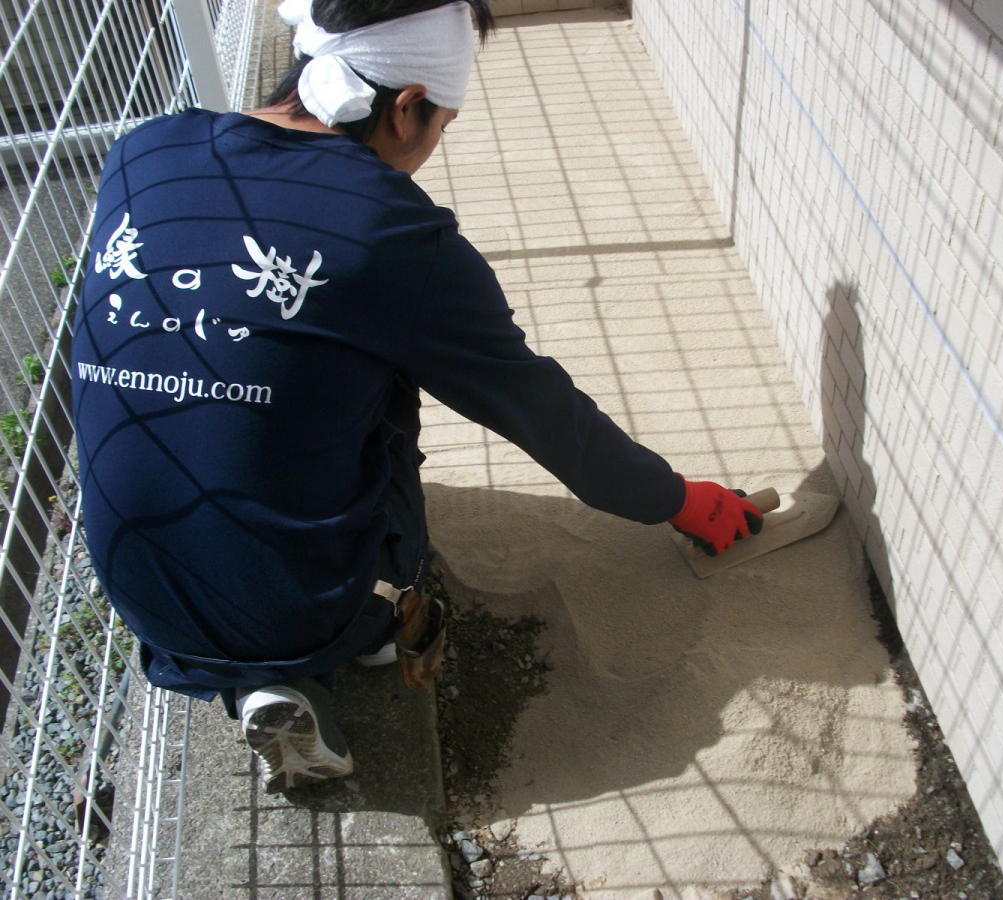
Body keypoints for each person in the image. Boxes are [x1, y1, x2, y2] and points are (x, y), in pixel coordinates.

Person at [71, 0, 762, 793]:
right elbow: (543, 414)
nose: (434, 146)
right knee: (382, 375)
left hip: (135, 582)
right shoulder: (394, 236)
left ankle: (266, 671)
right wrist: (677, 500)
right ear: (406, 109)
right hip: (296, 604)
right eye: (443, 127)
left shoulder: (143, 151)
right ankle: (354, 625)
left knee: (267, 380)